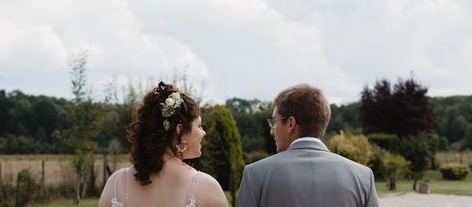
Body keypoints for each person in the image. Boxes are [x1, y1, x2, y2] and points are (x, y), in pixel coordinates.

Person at [237, 83, 378, 207]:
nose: (271, 130)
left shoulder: (255, 175)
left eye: (275, 122)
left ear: (291, 123)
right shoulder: (363, 177)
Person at [99, 81, 228, 207]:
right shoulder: (205, 187)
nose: (203, 133)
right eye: (199, 126)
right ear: (179, 130)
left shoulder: (116, 184)